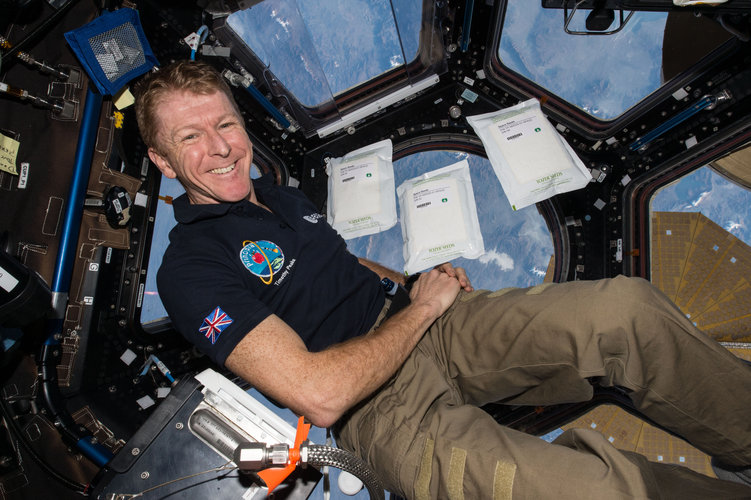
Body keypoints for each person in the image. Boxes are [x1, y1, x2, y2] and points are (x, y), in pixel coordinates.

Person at [133, 60, 751, 499]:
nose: (220, 147)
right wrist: (421, 311)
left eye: (226, 125)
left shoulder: (277, 198)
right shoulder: (190, 270)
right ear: (163, 162)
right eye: (191, 137)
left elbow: (343, 269)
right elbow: (318, 394)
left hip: (424, 322)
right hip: (379, 412)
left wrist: (417, 282)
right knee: (597, 493)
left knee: (626, 312)